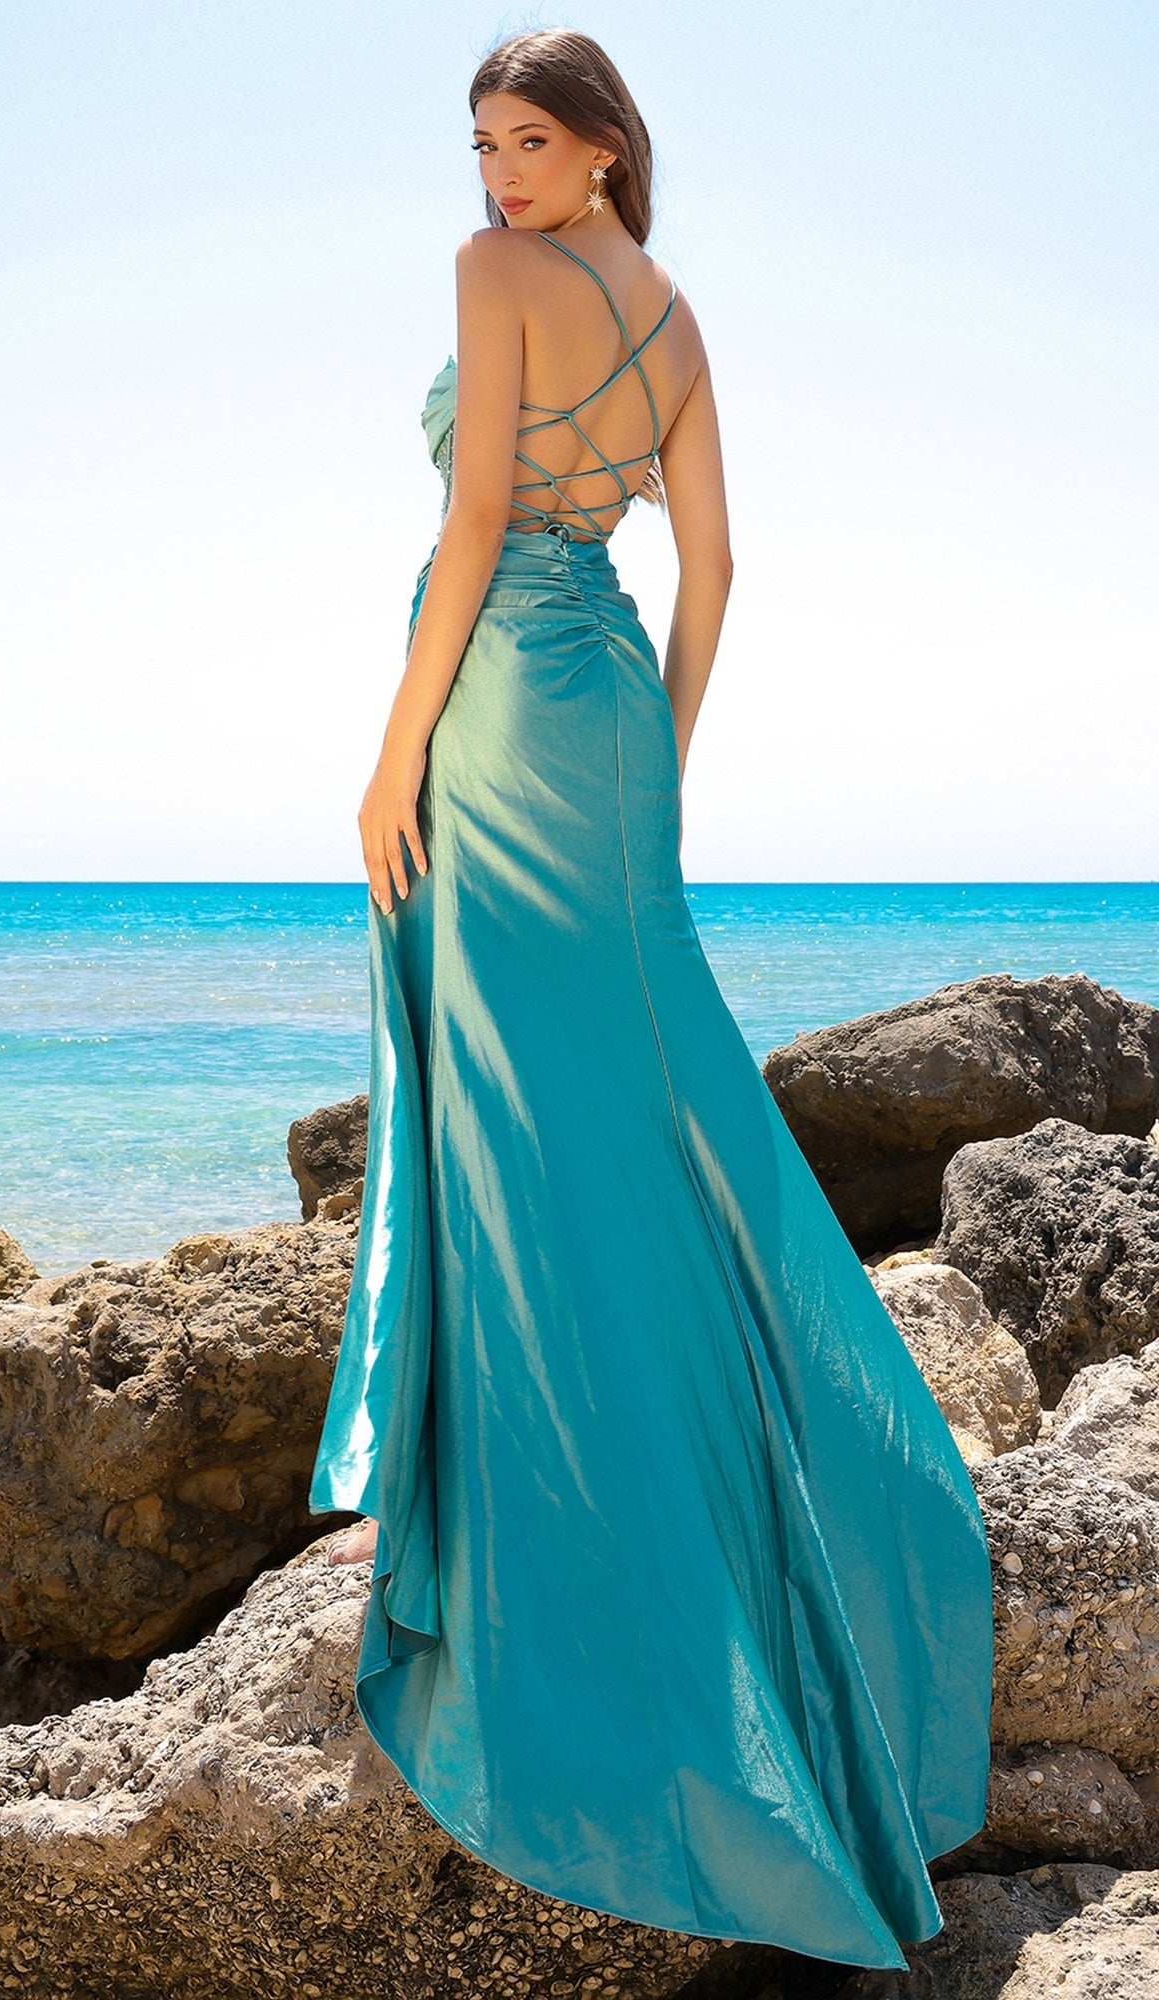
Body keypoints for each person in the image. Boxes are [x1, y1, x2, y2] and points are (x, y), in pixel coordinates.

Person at [308, 26, 992, 1972]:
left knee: (532, 1131)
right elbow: (716, 565)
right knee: (637, 1122)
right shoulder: (678, 316)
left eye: (529, 137)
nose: (496, 171)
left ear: (608, 146)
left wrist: (390, 755)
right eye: (480, 144)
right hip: (607, 712)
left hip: (503, 704)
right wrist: (664, 763)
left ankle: (550, 1535)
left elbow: (466, 532)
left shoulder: (496, 278)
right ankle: (750, 1528)